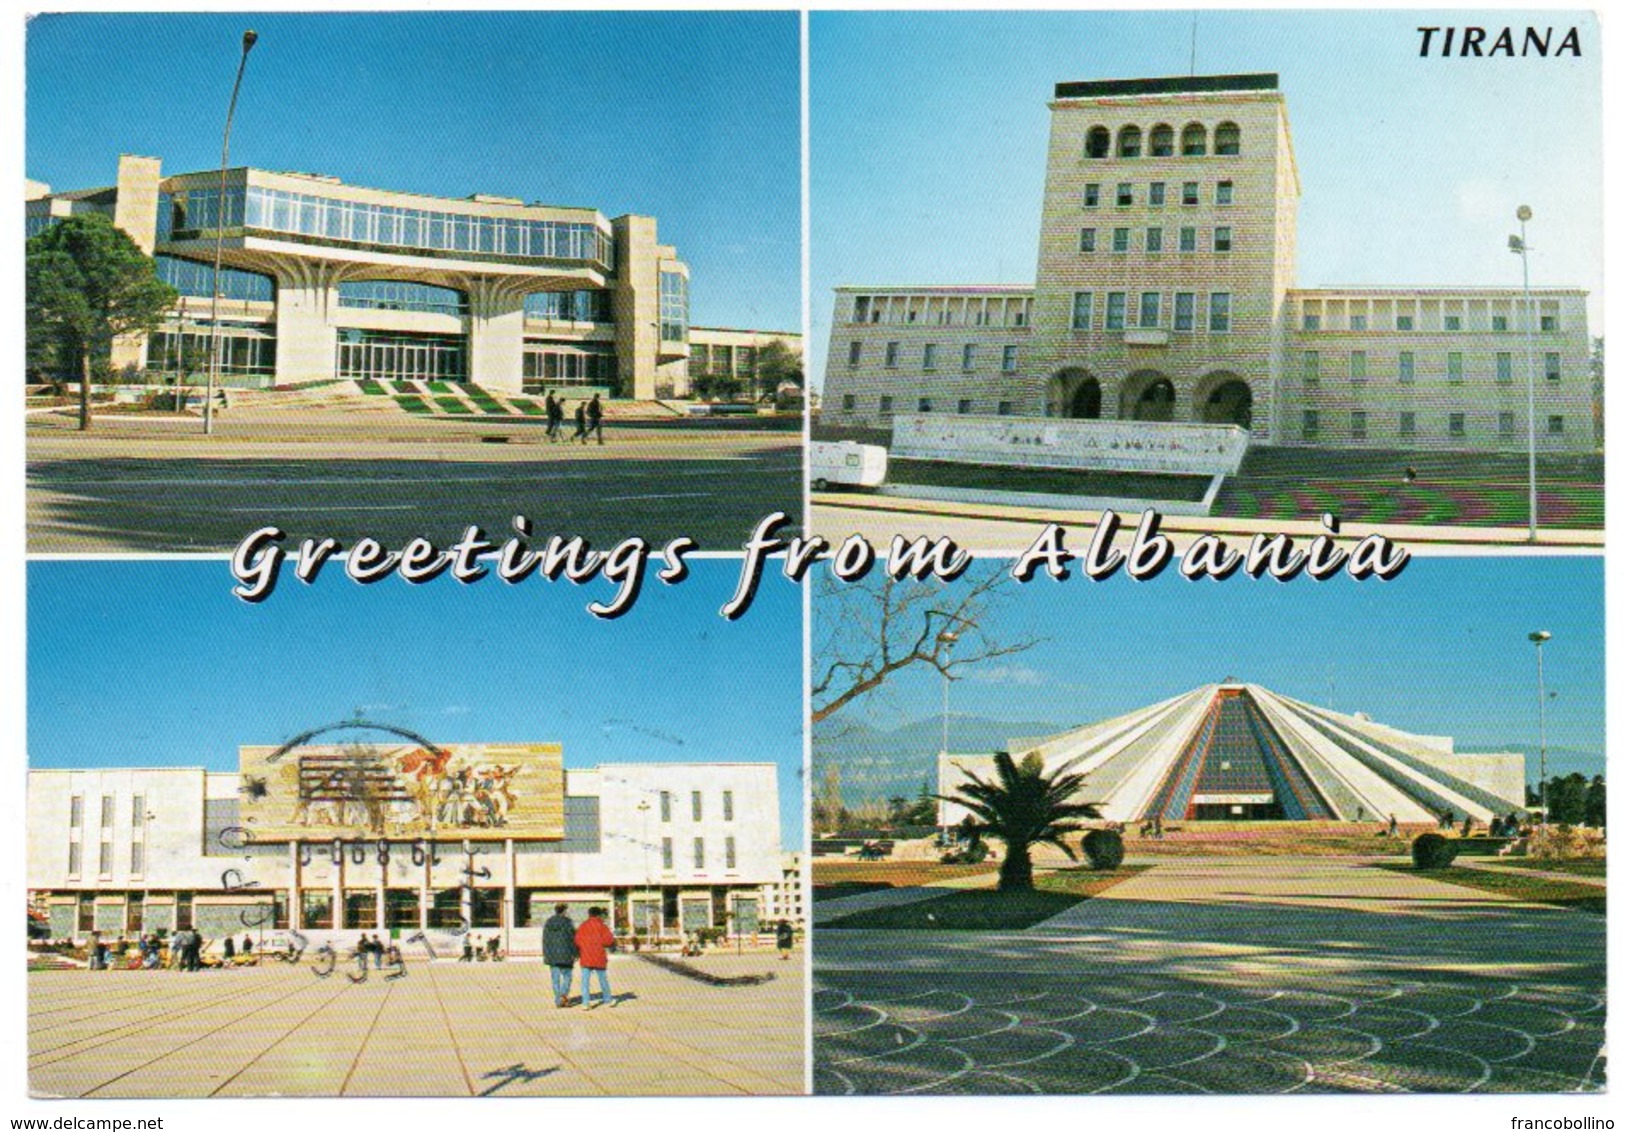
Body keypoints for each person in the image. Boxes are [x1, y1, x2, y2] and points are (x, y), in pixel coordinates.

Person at [574, 906, 617, 1009]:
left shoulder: (583, 926)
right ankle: (608, 1000)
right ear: (599, 915)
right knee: (603, 979)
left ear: (589, 914)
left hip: (586, 956)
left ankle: (585, 1003)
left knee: (585, 981)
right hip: (599, 956)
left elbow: (577, 940)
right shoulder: (602, 926)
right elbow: (609, 941)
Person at [542, 903, 578, 1008]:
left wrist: (546, 954)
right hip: (566, 954)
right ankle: (563, 995)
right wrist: (575, 953)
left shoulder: (549, 922)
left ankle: (558, 999)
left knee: (555, 979)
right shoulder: (568, 922)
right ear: (564, 911)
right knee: (567, 976)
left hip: (552, 955)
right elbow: (573, 939)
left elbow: (545, 940)